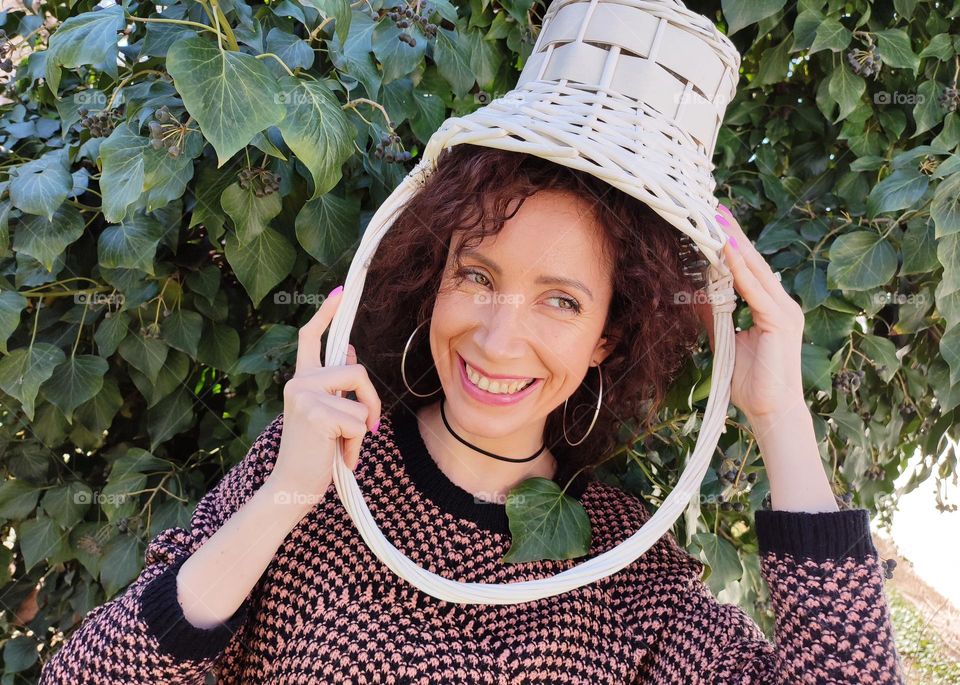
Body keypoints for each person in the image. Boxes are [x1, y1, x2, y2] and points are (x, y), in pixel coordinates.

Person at [39, 145, 906, 683]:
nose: (497, 339)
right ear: (433, 277)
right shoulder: (317, 466)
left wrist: (778, 413)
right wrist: (283, 501)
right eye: (478, 277)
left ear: (610, 336)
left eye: (561, 302)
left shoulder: (625, 568)